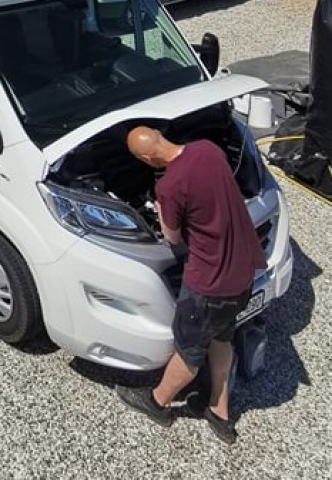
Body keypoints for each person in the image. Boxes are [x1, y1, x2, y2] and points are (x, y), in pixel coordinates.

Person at [115, 126, 266, 445]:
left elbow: (172, 238)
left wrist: (161, 210)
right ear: (159, 134)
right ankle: (219, 412)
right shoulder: (207, 148)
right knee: (222, 337)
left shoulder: (170, 186)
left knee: (189, 350)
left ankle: (157, 402)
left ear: (146, 158)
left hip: (210, 284)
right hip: (242, 274)